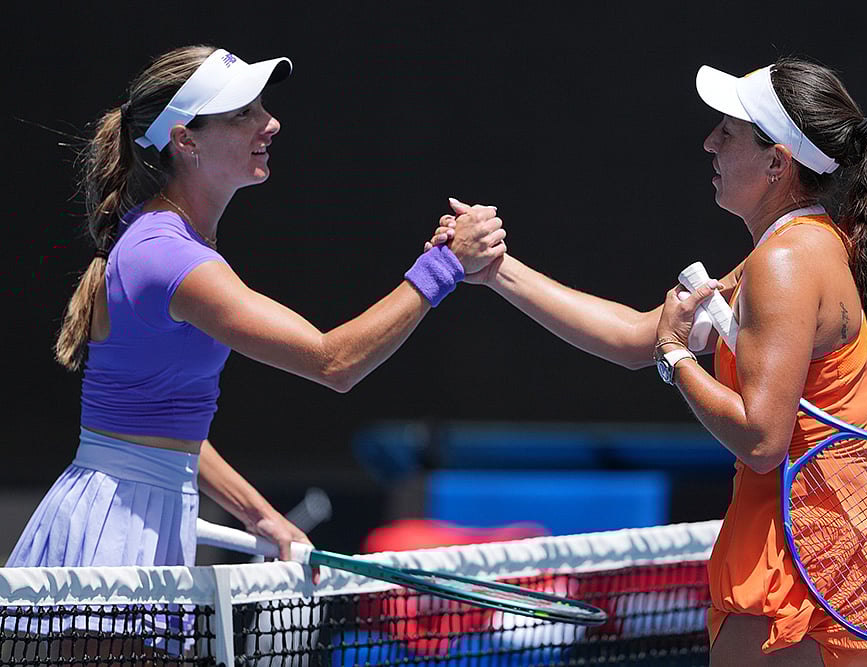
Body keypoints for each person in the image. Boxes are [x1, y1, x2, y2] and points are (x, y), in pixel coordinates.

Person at [428, 57, 867, 666]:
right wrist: (495, 271)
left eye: (727, 132)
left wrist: (677, 358)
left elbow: (760, 439)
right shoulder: (813, 245)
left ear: (777, 162)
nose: (710, 142)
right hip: (856, 571)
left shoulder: (785, 264)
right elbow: (634, 335)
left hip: (800, 578)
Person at [7, 45, 505, 577]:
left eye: (261, 107)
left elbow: (168, 428)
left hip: (133, 514)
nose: (270, 123)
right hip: (114, 532)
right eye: (243, 113)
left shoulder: (169, 240)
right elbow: (332, 362)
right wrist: (444, 268)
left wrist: (260, 516)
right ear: (185, 140)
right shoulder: (168, 255)